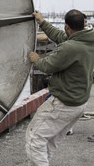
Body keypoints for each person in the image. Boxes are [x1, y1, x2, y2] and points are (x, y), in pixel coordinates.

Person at [26, 9, 94, 166]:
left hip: (64, 103)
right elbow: (59, 36)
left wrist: (36, 59)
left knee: (34, 139)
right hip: (79, 103)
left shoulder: (71, 47)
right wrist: (41, 22)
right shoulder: (87, 38)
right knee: (50, 142)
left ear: (67, 26)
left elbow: (48, 65)